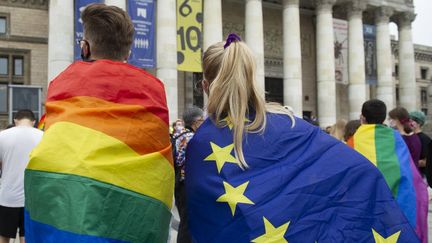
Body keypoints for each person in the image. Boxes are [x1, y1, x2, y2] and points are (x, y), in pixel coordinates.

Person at [185, 34, 419, 242]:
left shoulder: (202, 142)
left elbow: (202, 218)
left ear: (205, 86)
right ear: (250, 79)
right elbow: (359, 172)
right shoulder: (291, 123)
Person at [24, 4, 172, 242]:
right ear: (129, 51)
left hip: (74, 205)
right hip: (130, 210)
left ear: (85, 47)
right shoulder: (154, 89)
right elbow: (157, 162)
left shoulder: (62, 83)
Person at [347, 99, 428, 242]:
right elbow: (409, 173)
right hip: (393, 209)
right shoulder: (396, 138)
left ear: (362, 118)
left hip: (364, 208)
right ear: (384, 118)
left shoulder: (353, 141)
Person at [0, 110, 43, 243]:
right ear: (34, 121)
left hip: (8, 196)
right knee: (27, 236)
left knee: (4, 236)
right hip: (34, 197)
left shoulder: (2, 136)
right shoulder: (43, 137)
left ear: (15, 120)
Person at [174, 107, 204, 243]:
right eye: (202, 121)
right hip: (188, 184)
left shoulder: (178, 136)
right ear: (196, 122)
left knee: (186, 221)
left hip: (180, 184)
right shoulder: (191, 137)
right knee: (187, 224)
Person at [410, 111, 431, 179]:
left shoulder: (425, 139)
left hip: (422, 176)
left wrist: (409, 163)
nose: (409, 123)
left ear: (418, 123)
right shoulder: (410, 137)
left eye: (412, 121)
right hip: (413, 174)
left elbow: (426, 161)